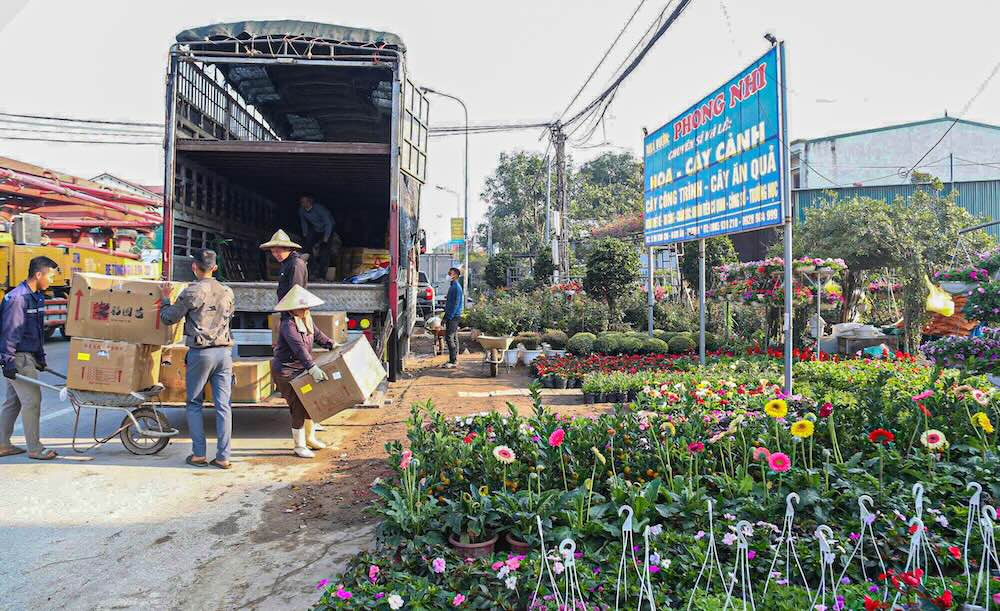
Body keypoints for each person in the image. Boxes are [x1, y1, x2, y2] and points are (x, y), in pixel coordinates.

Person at [160, 249, 236, 469]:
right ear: (215, 268)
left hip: (200, 354)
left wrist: (166, 300)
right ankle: (223, 457)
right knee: (224, 406)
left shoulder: (192, 291)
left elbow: (169, 318)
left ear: (194, 267)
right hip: (224, 354)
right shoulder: (227, 291)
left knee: (194, 403)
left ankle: (199, 454)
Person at [0, 256, 58, 460]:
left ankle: (2, 444)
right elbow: (10, 332)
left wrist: (40, 358)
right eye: (50, 275)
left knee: (13, 401)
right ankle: (35, 448)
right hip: (18, 357)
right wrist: (7, 362)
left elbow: (36, 331)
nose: (52, 279)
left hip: (28, 356)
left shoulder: (36, 296)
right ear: (38, 274)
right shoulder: (18, 298)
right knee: (32, 401)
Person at [271, 285, 334, 458]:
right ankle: (299, 445)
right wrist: (312, 368)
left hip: (301, 369)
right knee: (298, 405)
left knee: (310, 402)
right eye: (302, 307)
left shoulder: (306, 319)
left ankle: (310, 438)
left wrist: (331, 344)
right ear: (292, 309)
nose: (306, 309)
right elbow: (299, 348)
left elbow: (319, 336)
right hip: (286, 371)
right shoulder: (287, 325)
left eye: (307, 306)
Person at [260, 229, 307, 303]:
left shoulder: (296, 264)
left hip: (292, 310)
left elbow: (296, 292)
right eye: (273, 252)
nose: (275, 255)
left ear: (288, 249)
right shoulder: (286, 263)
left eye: (278, 251)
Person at [298, 195, 334, 280]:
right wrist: (305, 234)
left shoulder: (319, 209)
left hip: (327, 229)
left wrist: (325, 238)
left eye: (305, 201)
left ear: (310, 201)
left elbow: (328, 224)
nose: (303, 204)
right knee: (307, 248)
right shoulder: (301, 210)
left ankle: (322, 275)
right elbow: (303, 223)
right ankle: (311, 270)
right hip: (316, 229)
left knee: (324, 252)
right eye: (302, 202)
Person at [442, 267, 464, 369]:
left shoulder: (456, 287)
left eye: (450, 273)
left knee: (449, 338)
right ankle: (454, 359)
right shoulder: (453, 286)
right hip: (453, 315)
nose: (448, 275)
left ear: (455, 275)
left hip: (454, 316)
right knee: (453, 338)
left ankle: (453, 360)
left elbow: (455, 304)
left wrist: (448, 317)